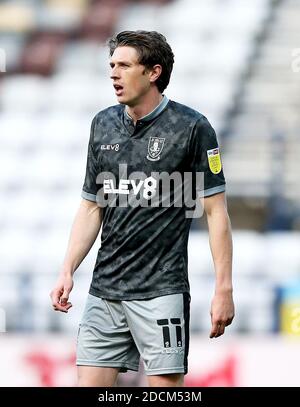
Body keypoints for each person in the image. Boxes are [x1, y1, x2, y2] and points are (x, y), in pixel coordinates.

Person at [50, 30, 234, 387]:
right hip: (105, 290)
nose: (113, 74)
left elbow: (216, 213)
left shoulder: (193, 128)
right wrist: (67, 270)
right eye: (112, 65)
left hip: (161, 291)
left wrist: (223, 288)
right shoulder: (102, 124)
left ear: (153, 72)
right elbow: (91, 207)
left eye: (124, 65)